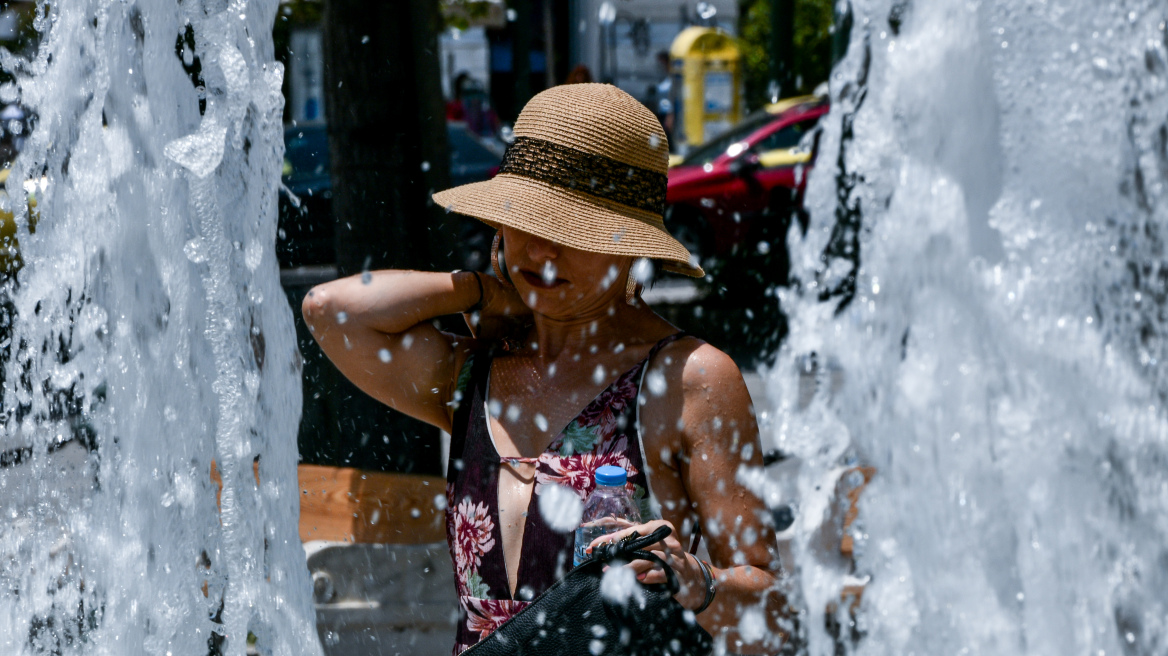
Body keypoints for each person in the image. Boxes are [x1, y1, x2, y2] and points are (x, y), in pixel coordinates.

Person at [303, 83, 786, 654]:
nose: (542, 253)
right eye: (527, 221)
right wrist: (481, 291)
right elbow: (331, 312)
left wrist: (698, 582)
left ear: (629, 245)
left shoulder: (688, 380)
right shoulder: (473, 373)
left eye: (571, 233)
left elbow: (771, 608)